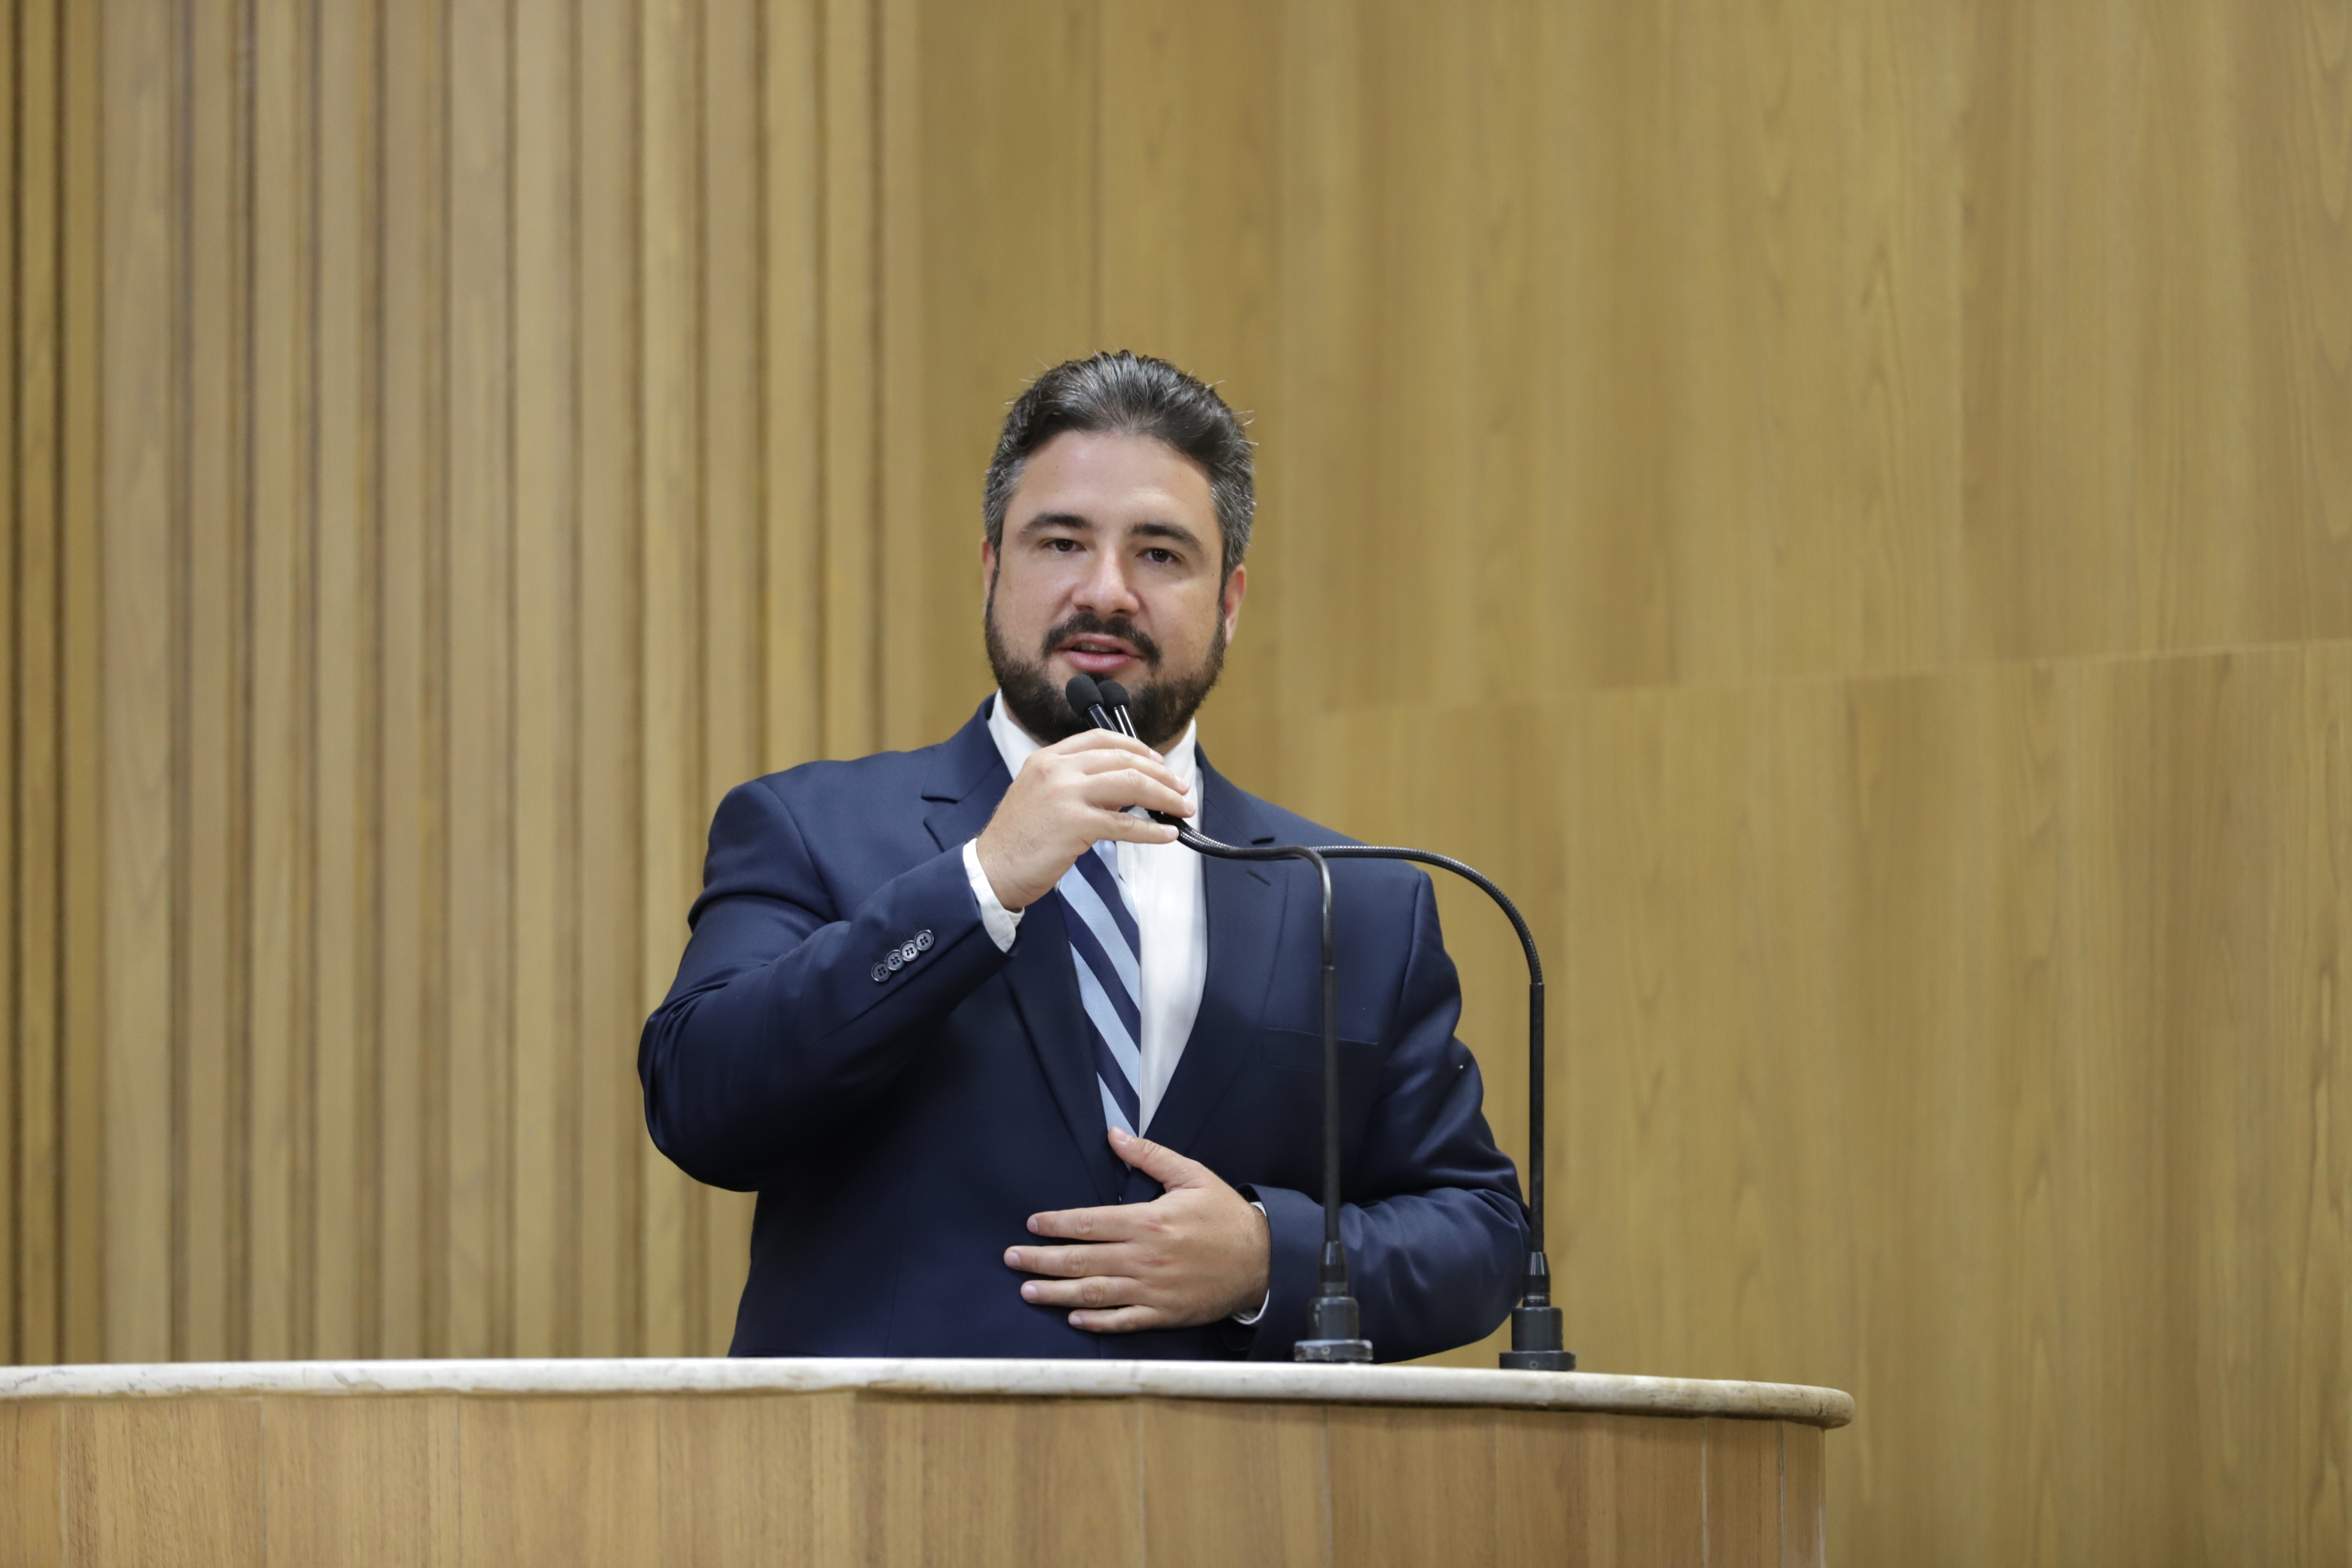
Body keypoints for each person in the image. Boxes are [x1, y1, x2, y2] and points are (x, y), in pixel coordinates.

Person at [639, 351, 1527, 1360]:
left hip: (1223, 1463)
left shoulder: (1352, 899)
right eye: (1061, 543)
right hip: (887, 1457)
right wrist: (980, 884)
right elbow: (700, 1103)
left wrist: (1268, 1257)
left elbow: (1480, 1235)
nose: (1106, 591)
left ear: (1230, 602)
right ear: (992, 571)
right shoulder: (809, 827)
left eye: (1161, 554)